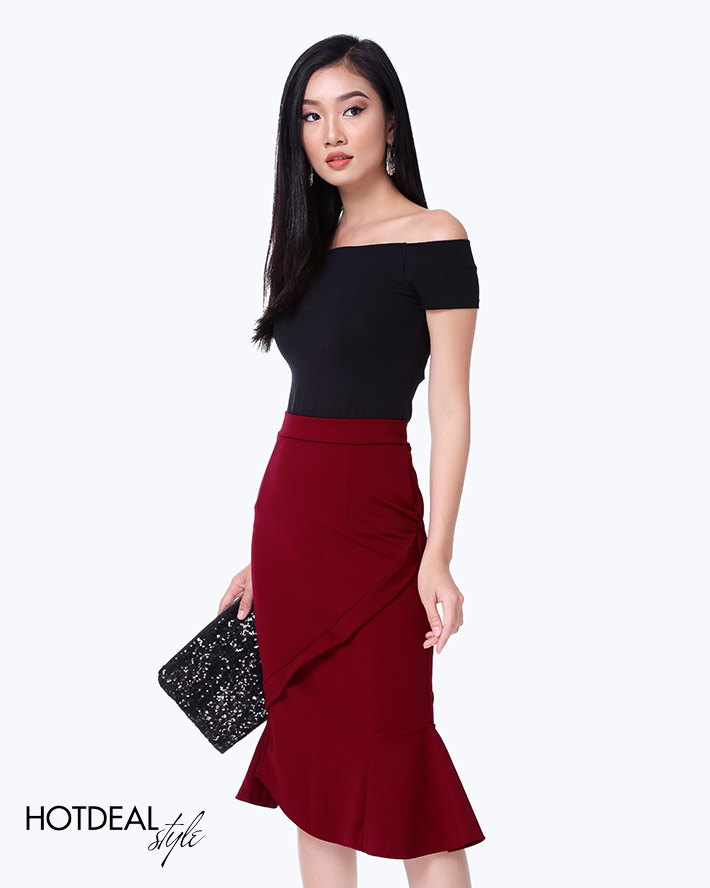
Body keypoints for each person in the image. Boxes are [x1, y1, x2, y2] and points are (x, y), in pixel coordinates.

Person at [219, 34, 486, 888]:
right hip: (290, 526)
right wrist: (261, 558)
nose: (331, 133)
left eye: (352, 108)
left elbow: (450, 406)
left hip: (377, 526)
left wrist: (438, 552)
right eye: (311, 116)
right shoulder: (307, 248)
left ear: (390, 122)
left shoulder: (435, 237)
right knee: (309, 775)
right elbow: (308, 401)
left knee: (404, 767)